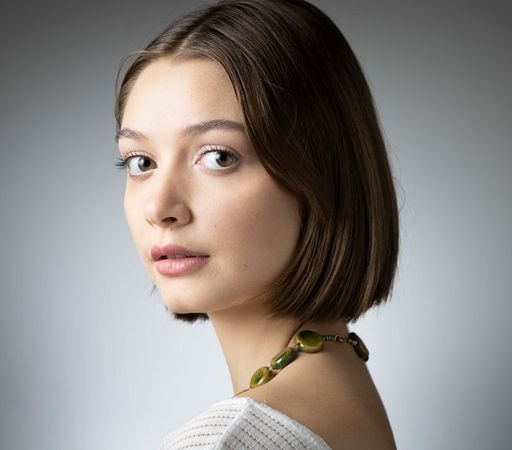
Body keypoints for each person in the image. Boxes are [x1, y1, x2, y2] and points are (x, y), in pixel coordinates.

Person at [113, 0, 399, 448]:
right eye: (141, 161)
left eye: (218, 157)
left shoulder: (230, 440)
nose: (160, 207)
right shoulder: (344, 387)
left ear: (320, 176)